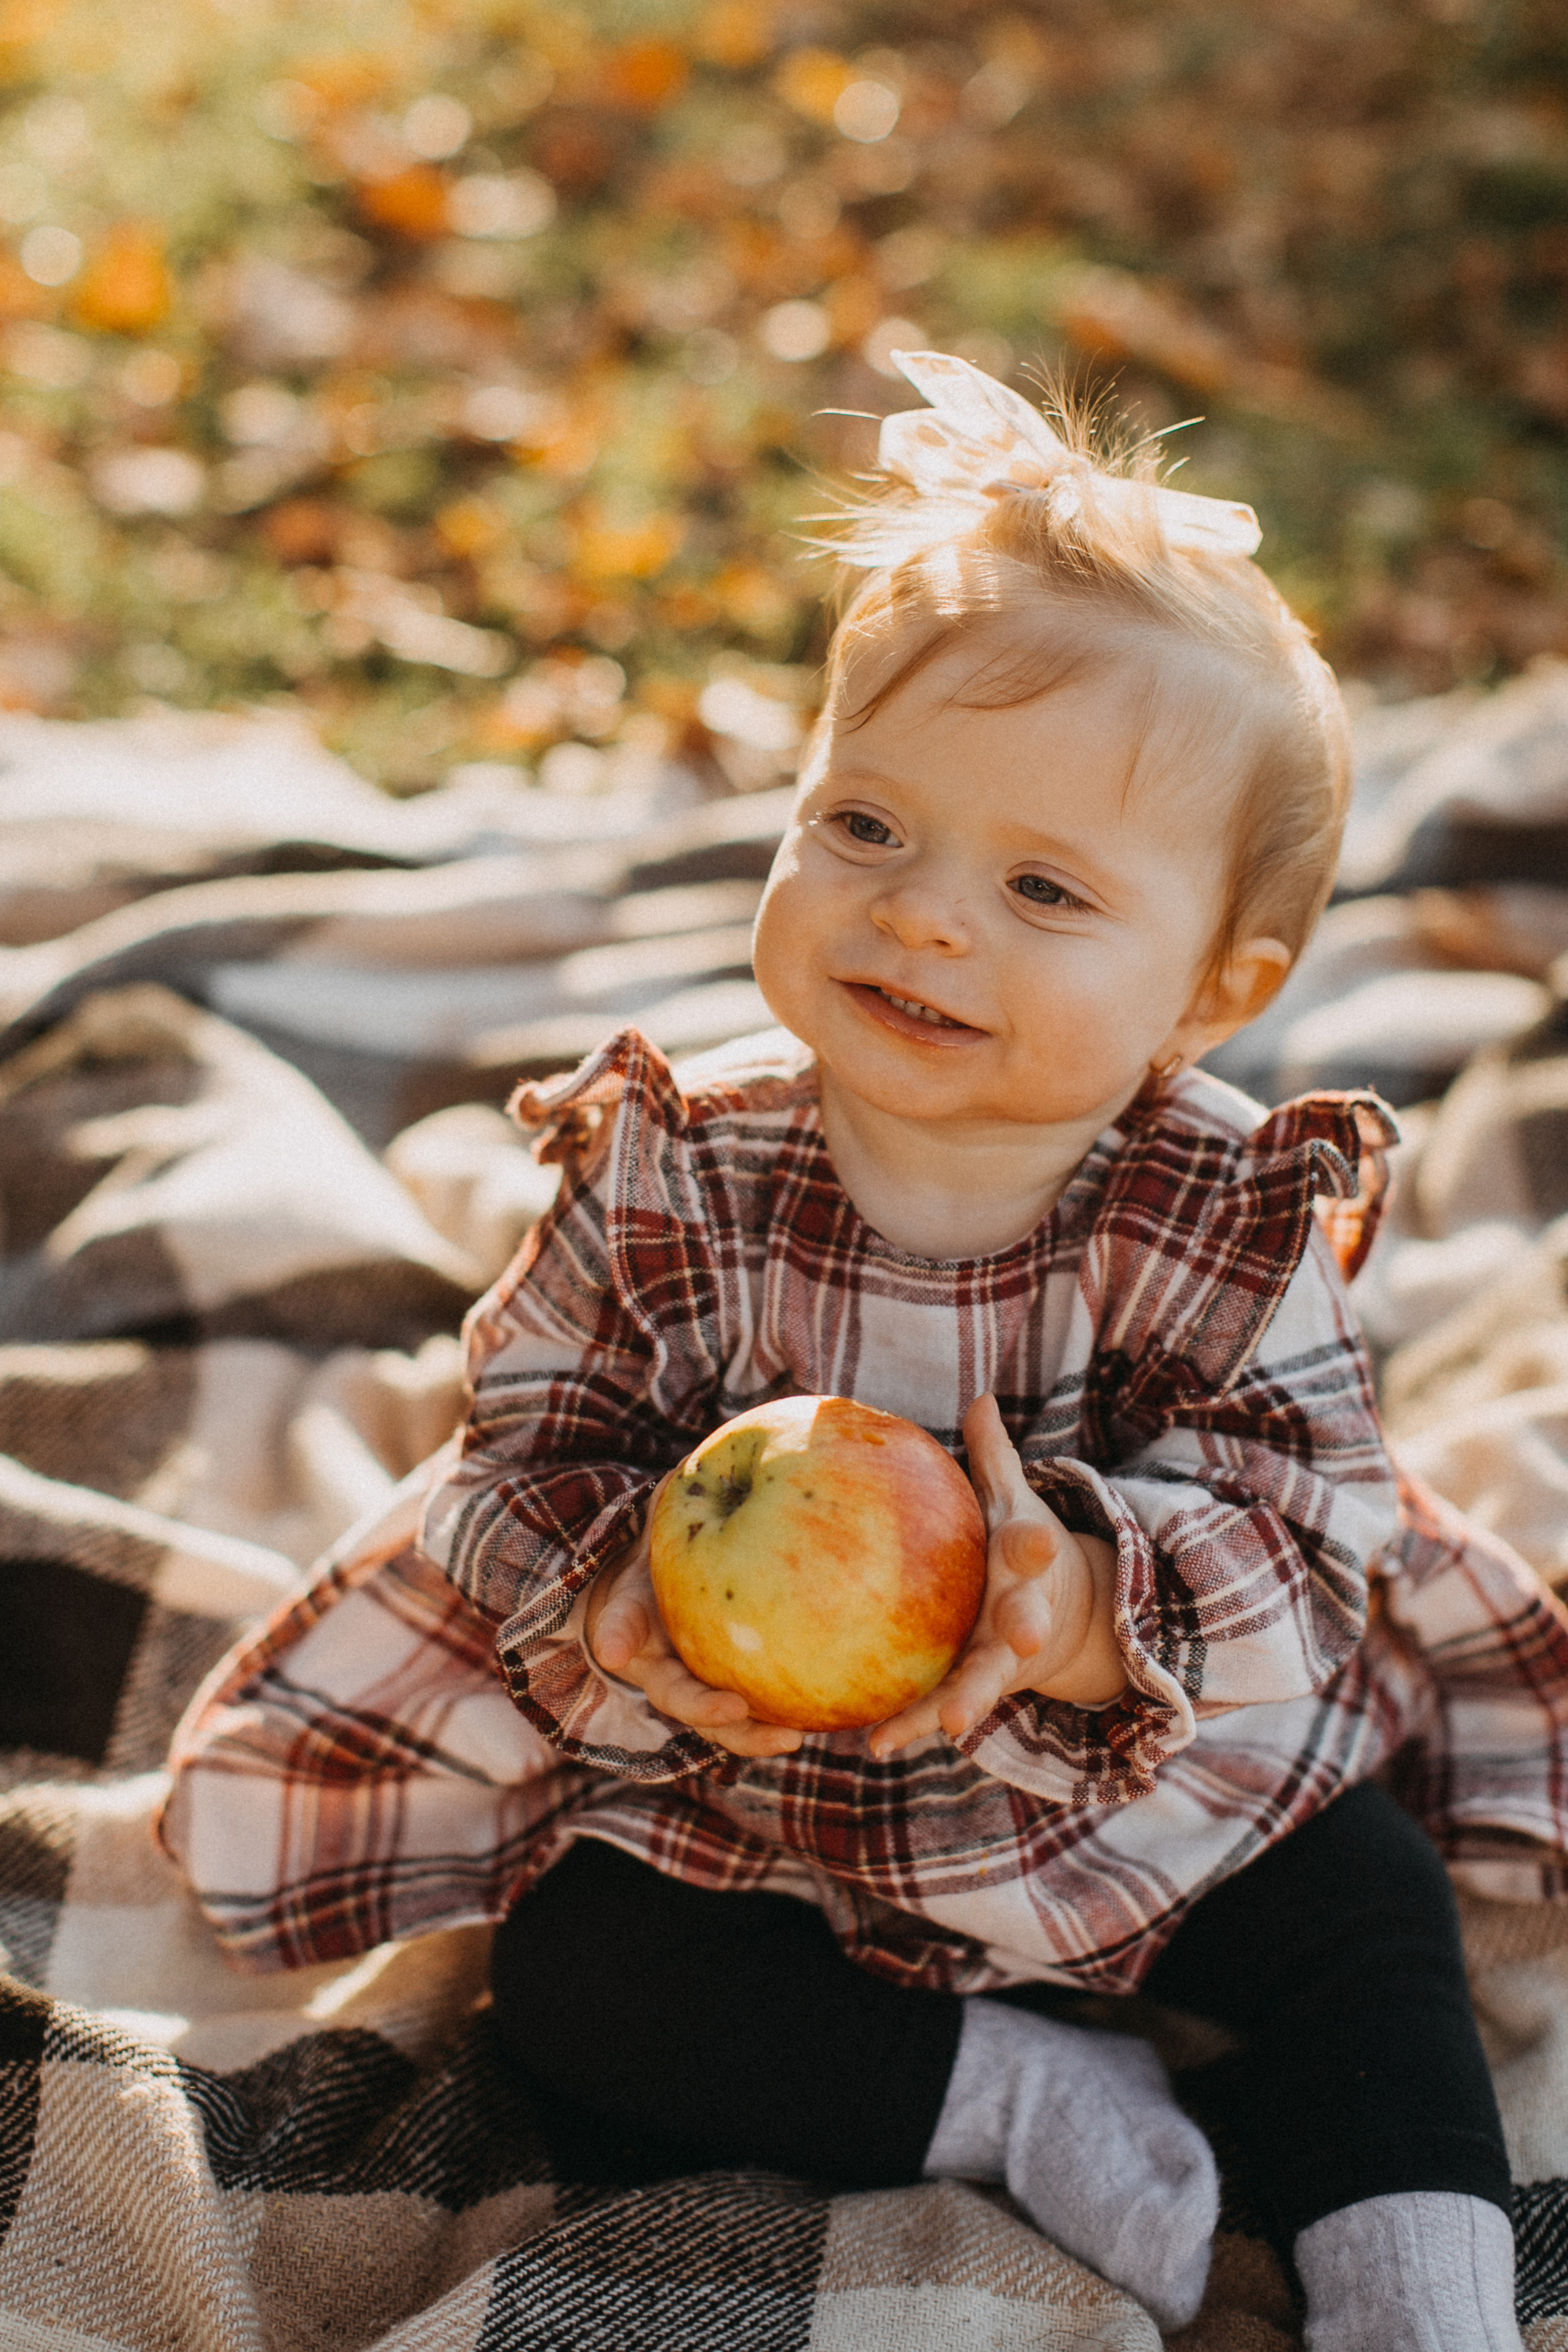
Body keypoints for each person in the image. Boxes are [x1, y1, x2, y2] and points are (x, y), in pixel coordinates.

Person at [164, 353, 1568, 2350]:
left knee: (1369, 1918)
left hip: (1138, 1758)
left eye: (1045, 889)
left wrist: (1085, 1606)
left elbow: (1305, 1517)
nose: (923, 921)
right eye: (867, 824)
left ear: (1215, 992)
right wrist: (617, 1594)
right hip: (763, 1790)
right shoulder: (676, 1170)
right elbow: (523, 1443)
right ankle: (1009, 2095)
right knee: (575, 1990)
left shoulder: (1218, 1209)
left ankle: (1417, 2286)